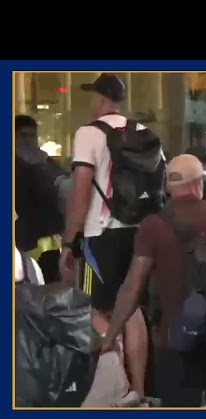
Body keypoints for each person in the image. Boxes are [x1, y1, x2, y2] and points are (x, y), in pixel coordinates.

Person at [101, 154, 206, 407]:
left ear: (168, 187)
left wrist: (110, 336)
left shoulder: (153, 226)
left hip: (174, 340)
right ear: (198, 184)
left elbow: (132, 286)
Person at [59, 73, 148, 397]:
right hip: (139, 234)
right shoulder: (144, 133)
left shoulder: (89, 133)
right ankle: (137, 391)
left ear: (100, 98)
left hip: (102, 234)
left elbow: (81, 190)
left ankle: (116, 387)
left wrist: (70, 241)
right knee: (131, 309)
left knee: (94, 307)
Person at [15, 115, 66, 283]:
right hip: (21, 244)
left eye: (32, 135)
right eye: (23, 135)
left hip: (49, 243)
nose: (29, 141)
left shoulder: (48, 164)